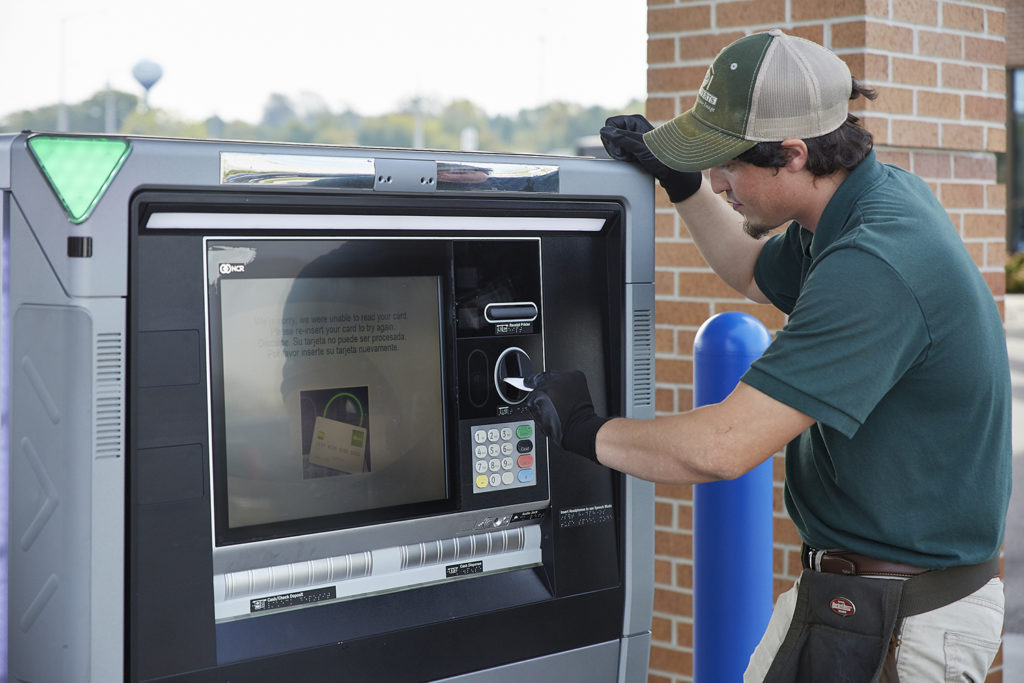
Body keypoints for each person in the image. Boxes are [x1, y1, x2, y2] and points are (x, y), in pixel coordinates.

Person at [525, 29, 1011, 682]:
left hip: (905, 617)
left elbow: (721, 447)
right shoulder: (852, 208)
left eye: (727, 163)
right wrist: (681, 182)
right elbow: (752, 270)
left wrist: (583, 429)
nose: (720, 181)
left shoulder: (876, 260)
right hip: (857, 591)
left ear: (792, 154)